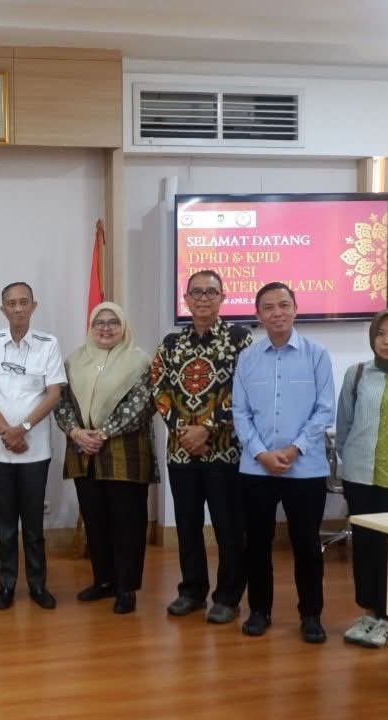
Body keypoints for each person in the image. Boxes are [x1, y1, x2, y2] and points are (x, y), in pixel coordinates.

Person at [232, 283, 334, 643]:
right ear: (258, 315)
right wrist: (261, 453)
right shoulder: (248, 358)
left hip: (305, 468)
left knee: (306, 543)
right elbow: (240, 412)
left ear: (295, 308)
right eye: (269, 307)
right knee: (256, 543)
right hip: (256, 468)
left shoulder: (316, 355)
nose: (277, 313)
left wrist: (294, 449)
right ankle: (259, 610)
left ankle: (311, 615)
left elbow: (325, 410)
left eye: (284, 305)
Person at [150, 269, 252, 624]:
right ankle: (192, 591)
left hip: (225, 450)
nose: (203, 298)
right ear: (186, 299)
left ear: (223, 297)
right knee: (187, 525)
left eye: (211, 291)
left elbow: (244, 389)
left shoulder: (240, 338)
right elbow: (158, 388)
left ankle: (228, 597)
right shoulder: (170, 343)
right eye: (196, 292)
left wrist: (207, 428)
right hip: (181, 452)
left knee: (228, 527)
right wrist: (183, 431)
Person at [0, 281, 66, 610]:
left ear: (33, 306)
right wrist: (6, 432)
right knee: (4, 524)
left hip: (35, 450)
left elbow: (54, 393)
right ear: (3, 309)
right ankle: (7, 584)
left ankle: (38, 585)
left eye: (24, 302)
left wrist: (22, 429)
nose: (18, 308)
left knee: (34, 525)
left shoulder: (48, 344)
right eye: (11, 303)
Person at [54, 301, 155, 615]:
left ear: (123, 327)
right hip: (84, 454)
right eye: (100, 322)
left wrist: (101, 433)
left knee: (127, 523)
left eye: (113, 322)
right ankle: (103, 581)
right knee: (95, 521)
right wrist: (75, 432)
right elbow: (60, 401)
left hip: (125, 454)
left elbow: (143, 404)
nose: (106, 328)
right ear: (91, 327)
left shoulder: (140, 361)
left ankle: (126, 588)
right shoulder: (74, 361)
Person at [336, 307, 388, 648]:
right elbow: (344, 426)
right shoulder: (358, 374)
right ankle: (368, 613)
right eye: (380, 334)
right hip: (361, 476)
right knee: (364, 546)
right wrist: (350, 461)